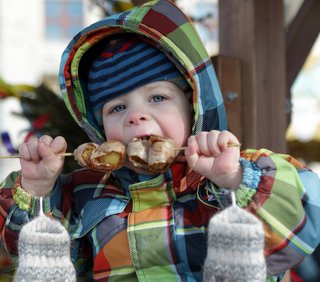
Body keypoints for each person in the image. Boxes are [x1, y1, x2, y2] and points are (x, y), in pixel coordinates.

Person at [1, 0, 320, 281]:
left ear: (194, 103)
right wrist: (38, 193)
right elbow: (30, 255)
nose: (135, 116)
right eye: (118, 108)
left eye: (156, 97)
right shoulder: (84, 192)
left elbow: (306, 216)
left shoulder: (232, 173)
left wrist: (236, 179)